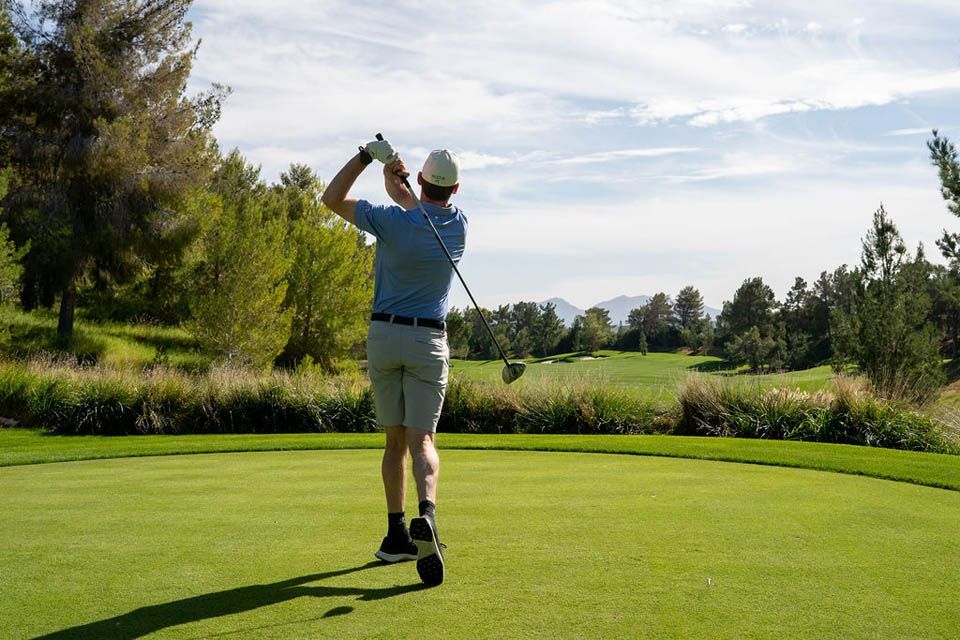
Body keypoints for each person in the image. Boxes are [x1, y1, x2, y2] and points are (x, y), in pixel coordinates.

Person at [320, 138, 467, 586]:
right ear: (455, 190)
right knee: (423, 442)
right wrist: (395, 178)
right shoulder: (458, 227)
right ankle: (427, 515)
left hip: (384, 337)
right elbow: (414, 206)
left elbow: (332, 198)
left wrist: (369, 158)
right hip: (428, 341)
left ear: (421, 180)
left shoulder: (389, 222)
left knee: (393, 443)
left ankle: (395, 535)